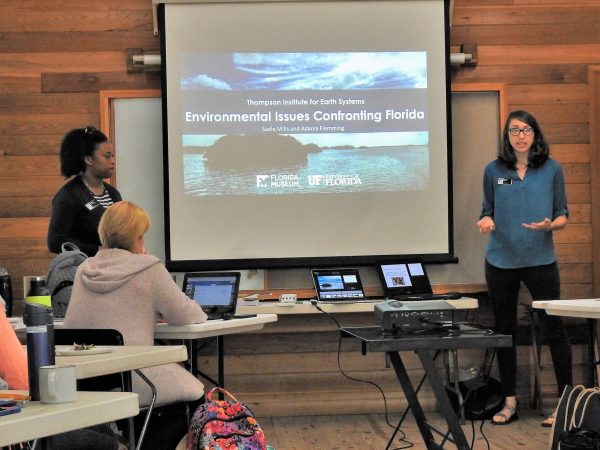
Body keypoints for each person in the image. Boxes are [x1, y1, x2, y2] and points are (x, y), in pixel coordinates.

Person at [63, 201, 208, 449]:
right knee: (197, 394)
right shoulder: (149, 267)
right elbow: (186, 314)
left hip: (85, 380)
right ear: (137, 237)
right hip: (132, 376)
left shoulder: (84, 269)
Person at [476, 110, 572, 427]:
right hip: (501, 261)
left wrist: (550, 225)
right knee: (505, 332)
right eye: (514, 130)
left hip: (541, 262)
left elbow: (563, 214)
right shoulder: (494, 171)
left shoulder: (551, 169)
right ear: (507, 136)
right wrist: (487, 220)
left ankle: (565, 404)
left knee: (554, 330)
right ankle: (510, 402)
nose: (520, 135)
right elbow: (487, 210)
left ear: (535, 134)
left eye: (526, 129)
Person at [47, 126, 122, 257]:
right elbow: (55, 241)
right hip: (82, 270)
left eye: (113, 156)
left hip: (113, 267)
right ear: (88, 159)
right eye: (107, 156)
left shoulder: (113, 193)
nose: (113, 161)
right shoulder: (69, 195)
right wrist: (98, 250)